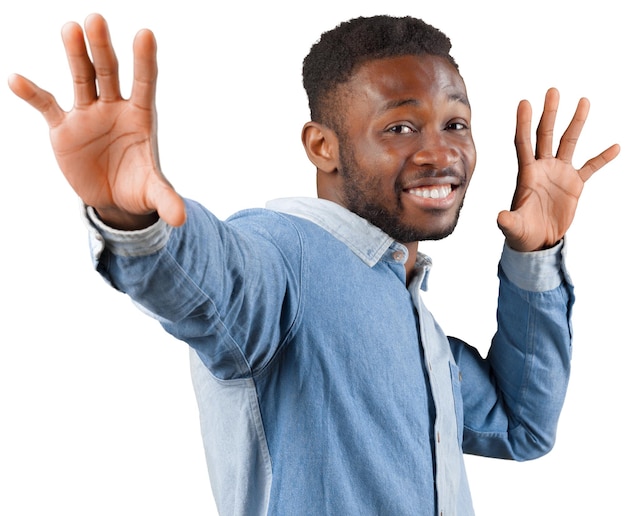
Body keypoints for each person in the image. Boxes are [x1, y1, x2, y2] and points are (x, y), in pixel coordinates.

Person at [8, 12, 619, 516]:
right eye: (401, 126)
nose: (440, 151)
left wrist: (534, 257)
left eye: (455, 123)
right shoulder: (279, 256)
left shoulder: (418, 326)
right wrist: (130, 218)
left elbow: (521, 426)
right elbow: (207, 281)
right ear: (321, 146)